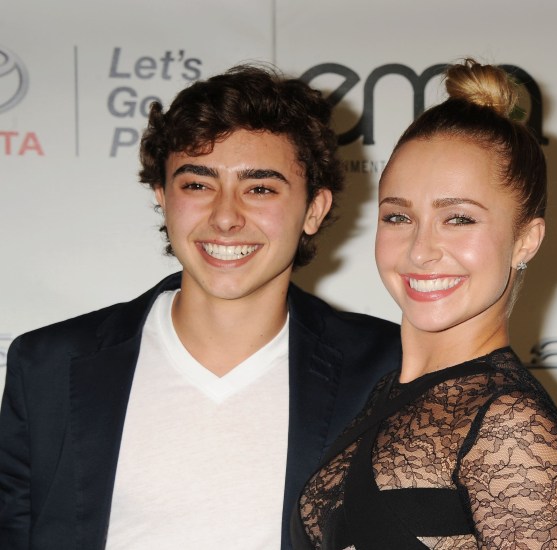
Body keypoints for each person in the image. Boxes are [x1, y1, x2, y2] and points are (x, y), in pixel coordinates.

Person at [0, 65, 401, 550]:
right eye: (197, 185)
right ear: (162, 197)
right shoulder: (48, 364)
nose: (226, 216)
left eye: (260, 189)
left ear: (313, 209)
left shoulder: (387, 368)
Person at [292, 59, 557, 549]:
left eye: (458, 219)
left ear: (526, 241)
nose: (420, 249)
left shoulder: (509, 423)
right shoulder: (388, 395)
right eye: (398, 217)